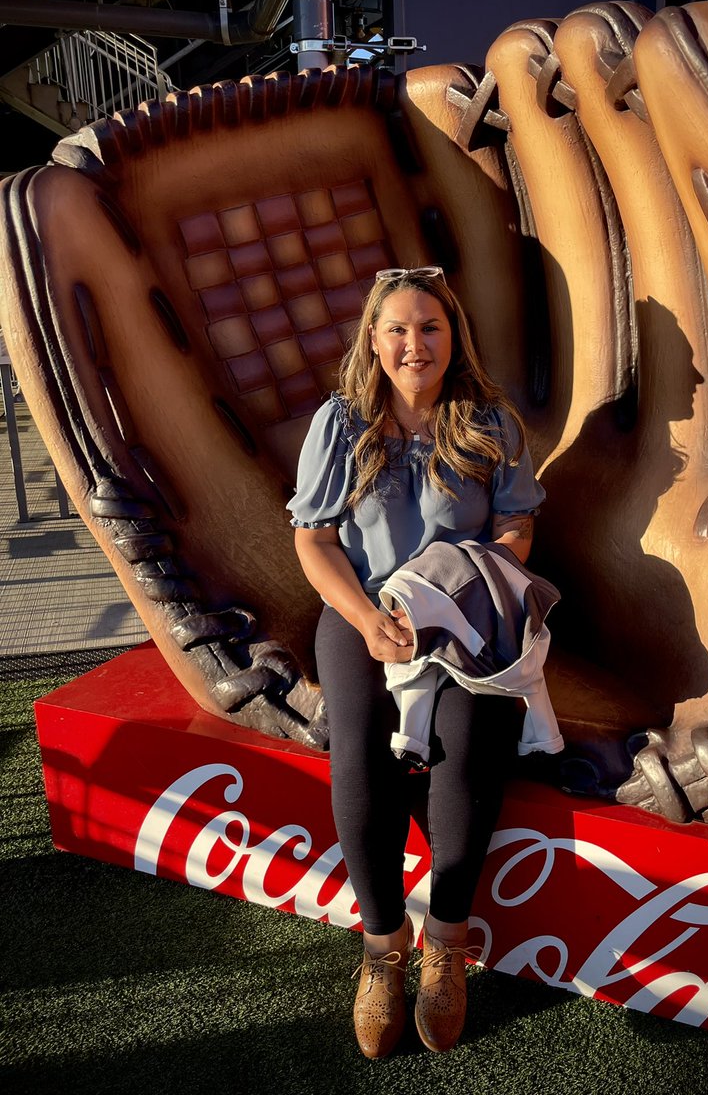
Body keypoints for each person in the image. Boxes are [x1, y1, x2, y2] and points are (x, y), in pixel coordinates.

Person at [288, 265, 546, 1058]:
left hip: (463, 616)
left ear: (451, 337)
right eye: (397, 328)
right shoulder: (341, 423)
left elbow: (515, 529)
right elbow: (315, 539)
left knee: (468, 751)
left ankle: (445, 944)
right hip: (363, 612)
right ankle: (381, 947)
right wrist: (368, 618)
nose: (413, 344)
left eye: (429, 328)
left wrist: (464, 591)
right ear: (374, 339)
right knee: (357, 749)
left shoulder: (488, 424)